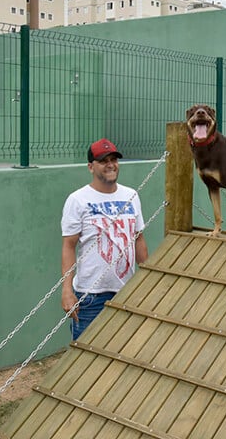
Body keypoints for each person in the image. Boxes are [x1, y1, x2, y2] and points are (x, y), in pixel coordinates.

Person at [60, 138, 148, 340]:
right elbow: (68, 246)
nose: (110, 165)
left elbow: (139, 239)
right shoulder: (78, 200)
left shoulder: (131, 195)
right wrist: (66, 291)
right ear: (91, 167)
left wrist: (146, 281)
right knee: (85, 356)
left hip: (127, 290)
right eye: (103, 160)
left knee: (123, 351)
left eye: (114, 159)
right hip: (90, 296)